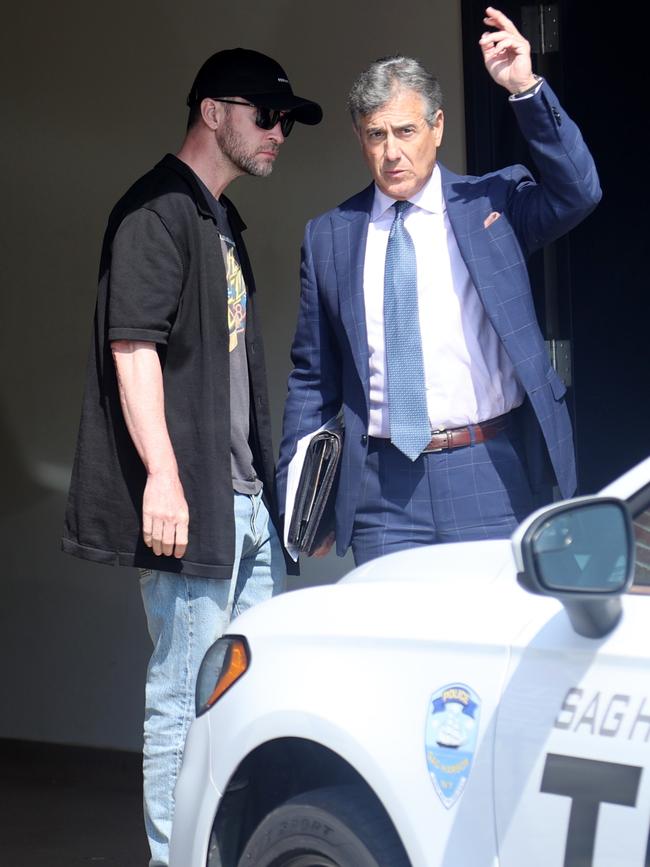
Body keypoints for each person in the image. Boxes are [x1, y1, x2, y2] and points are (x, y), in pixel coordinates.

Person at [62, 48, 321, 866]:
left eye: (285, 120)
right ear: (214, 113)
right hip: (193, 506)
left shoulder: (218, 218)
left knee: (242, 705)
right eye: (266, 115)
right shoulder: (156, 210)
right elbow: (131, 347)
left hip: (242, 504)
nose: (280, 132)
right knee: (185, 703)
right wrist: (166, 477)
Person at [277, 7, 600, 567]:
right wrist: (300, 497)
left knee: (491, 643)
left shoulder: (490, 203)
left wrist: (524, 88)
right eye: (375, 135)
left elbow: (578, 192)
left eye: (405, 131)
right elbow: (311, 376)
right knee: (397, 651)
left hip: (487, 468)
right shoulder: (331, 236)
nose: (391, 152)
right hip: (381, 486)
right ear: (359, 136)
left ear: (439, 127)